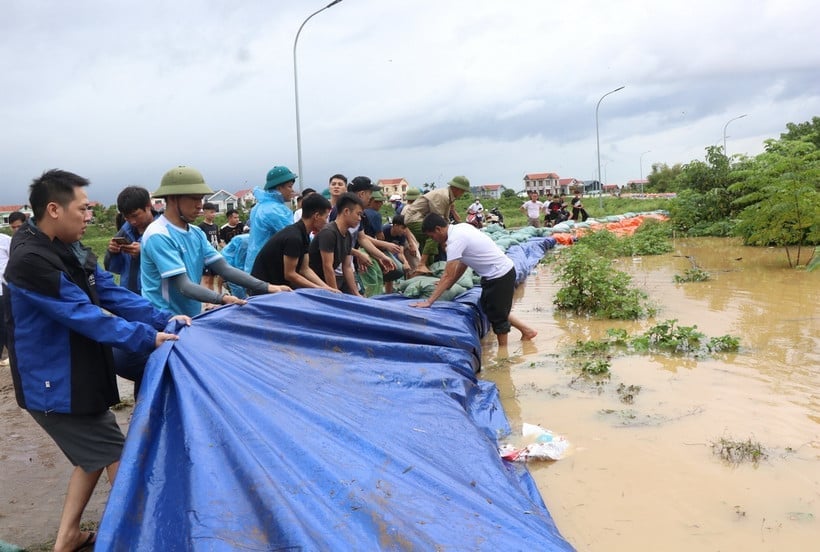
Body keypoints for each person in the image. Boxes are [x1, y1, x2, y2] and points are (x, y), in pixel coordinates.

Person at [3, 169, 191, 552]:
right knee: (118, 456)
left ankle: (69, 537)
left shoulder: (70, 247)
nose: (90, 216)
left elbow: (110, 293)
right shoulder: (30, 261)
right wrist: (147, 338)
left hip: (77, 374)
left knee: (92, 458)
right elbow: (83, 315)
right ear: (53, 209)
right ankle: (142, 539)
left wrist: (162, 319)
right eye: (83, 208)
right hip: (53, 384)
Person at [141, 165, 291, 317]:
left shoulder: (196, 233)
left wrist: (269, 287)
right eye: (194, 199)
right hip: (163, 318)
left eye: (201, 198)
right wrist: (222, 298)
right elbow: (183, 286)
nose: (200, 205)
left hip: (189, 316)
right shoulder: (158, 235)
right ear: (172, 198)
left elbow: (225, 269)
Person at [411, 213, 538, 347]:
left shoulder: (455, 240)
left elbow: (447, 275)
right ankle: (527, 330)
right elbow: (463, 263)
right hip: (492, 275)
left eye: (432, 236)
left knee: (498, 318)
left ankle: (503, 357)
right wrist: (451, 284)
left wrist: (429, 302)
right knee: (490, 309)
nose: (434, 239)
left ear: (438, 229)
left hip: (500, 274)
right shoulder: (461, 227)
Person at [250, 193, 338, 292]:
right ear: (316, 216)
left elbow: (304, 269)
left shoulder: (303, 234)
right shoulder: (294, 237)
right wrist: (320, 289)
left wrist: (327, 288)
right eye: (326, 217)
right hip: (263, 290)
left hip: (278, 288)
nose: (326, 222)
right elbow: (290, 274)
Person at [402, 176, 470, 274]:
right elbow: (437, 221)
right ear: (456, 189)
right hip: (414, 218)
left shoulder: (449, 197)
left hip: (422, 218)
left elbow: (445, 219)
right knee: (434, 234)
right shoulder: (442, 196)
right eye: (462, 191)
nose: (462, 194)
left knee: (432, 243)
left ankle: (426, 268)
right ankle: (421, 265)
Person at [103, 186, 159, 294]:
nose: (132, 221)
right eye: (127, 217)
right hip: (129, 295)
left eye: (135, 215)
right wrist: (113, 252)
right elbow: (113, 268)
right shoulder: (125, 231)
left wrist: (144, 251)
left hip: (155, 297)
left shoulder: (162, 230)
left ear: (148, 206)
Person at [244, 166, 299, 272]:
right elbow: (294, 238)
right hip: (268, 267)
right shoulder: (275, 210)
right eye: (289, 186)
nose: (292, 190)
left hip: (254, 264)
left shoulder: (259, 206)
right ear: (279, 188)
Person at [308, 193, 364, 295]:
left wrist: (356, 294)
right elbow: (327, 267)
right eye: (358, 214)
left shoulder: (348, 235)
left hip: (325, 284)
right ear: (346, 211)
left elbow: (347, 267)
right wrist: (334, 294)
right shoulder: (329, 233)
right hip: (313, 284)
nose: (360, 218)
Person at [198, 202, 220, 291]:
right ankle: (207, 303)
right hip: (205, 257)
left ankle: (212, 301)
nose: (213, 214)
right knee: (206, 280)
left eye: (214, 212)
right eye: (211, 212)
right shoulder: (200, 227)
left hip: (214, 255)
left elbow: (218, 241)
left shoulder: (215, 226)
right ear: (205, 213)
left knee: (212, 279)